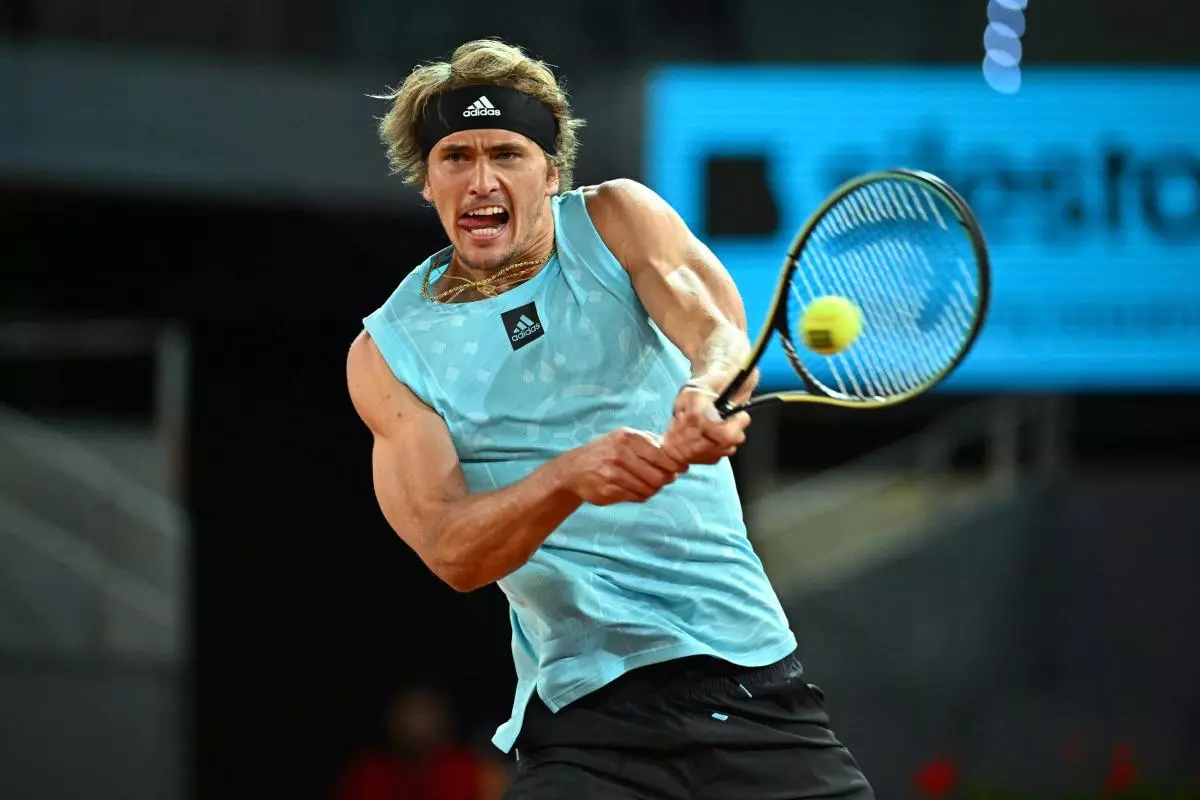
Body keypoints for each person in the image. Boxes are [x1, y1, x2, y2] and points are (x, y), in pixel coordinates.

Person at [346, 38, 874, 800]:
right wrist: (567, 479)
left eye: (507, 153)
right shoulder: (389, 354)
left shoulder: (617, 220)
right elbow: (451, 550)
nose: (481, 178)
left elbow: (718, 334)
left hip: (751, 688)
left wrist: (705, 392)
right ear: (427, 182)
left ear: (552, 173)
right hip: (586, 726)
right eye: (455, 156)